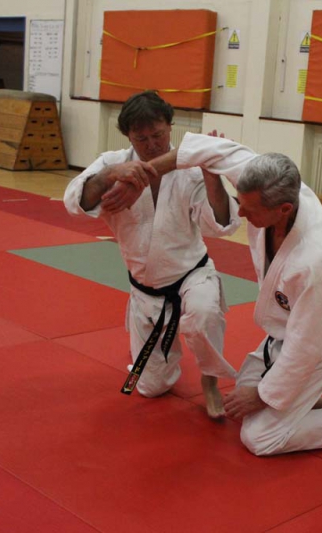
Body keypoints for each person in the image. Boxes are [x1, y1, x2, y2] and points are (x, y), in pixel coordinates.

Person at [138, 132, 322, 456]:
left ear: (284, 209)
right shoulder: (264, 180)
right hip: (285, 331)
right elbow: (209, 148)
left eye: (250, 210)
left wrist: (263, 396)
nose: (241, 214)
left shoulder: (315, 260)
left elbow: (307, 345)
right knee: (245, 394)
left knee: (259, 436)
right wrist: (141, 173)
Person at [63, 92, 240, 418]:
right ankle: (155, 358)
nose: (152, 145)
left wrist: (211, 175)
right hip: (146, 290)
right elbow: (75, 202)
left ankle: (210, 379)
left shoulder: (189, 170)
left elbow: (220, 225)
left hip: (191, 275)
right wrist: (111, 175)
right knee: (151, 388)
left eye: (158, 135)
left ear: (170, 126)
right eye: (141, 139)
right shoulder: (113, 164)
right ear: (128, 137)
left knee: (203, 314)